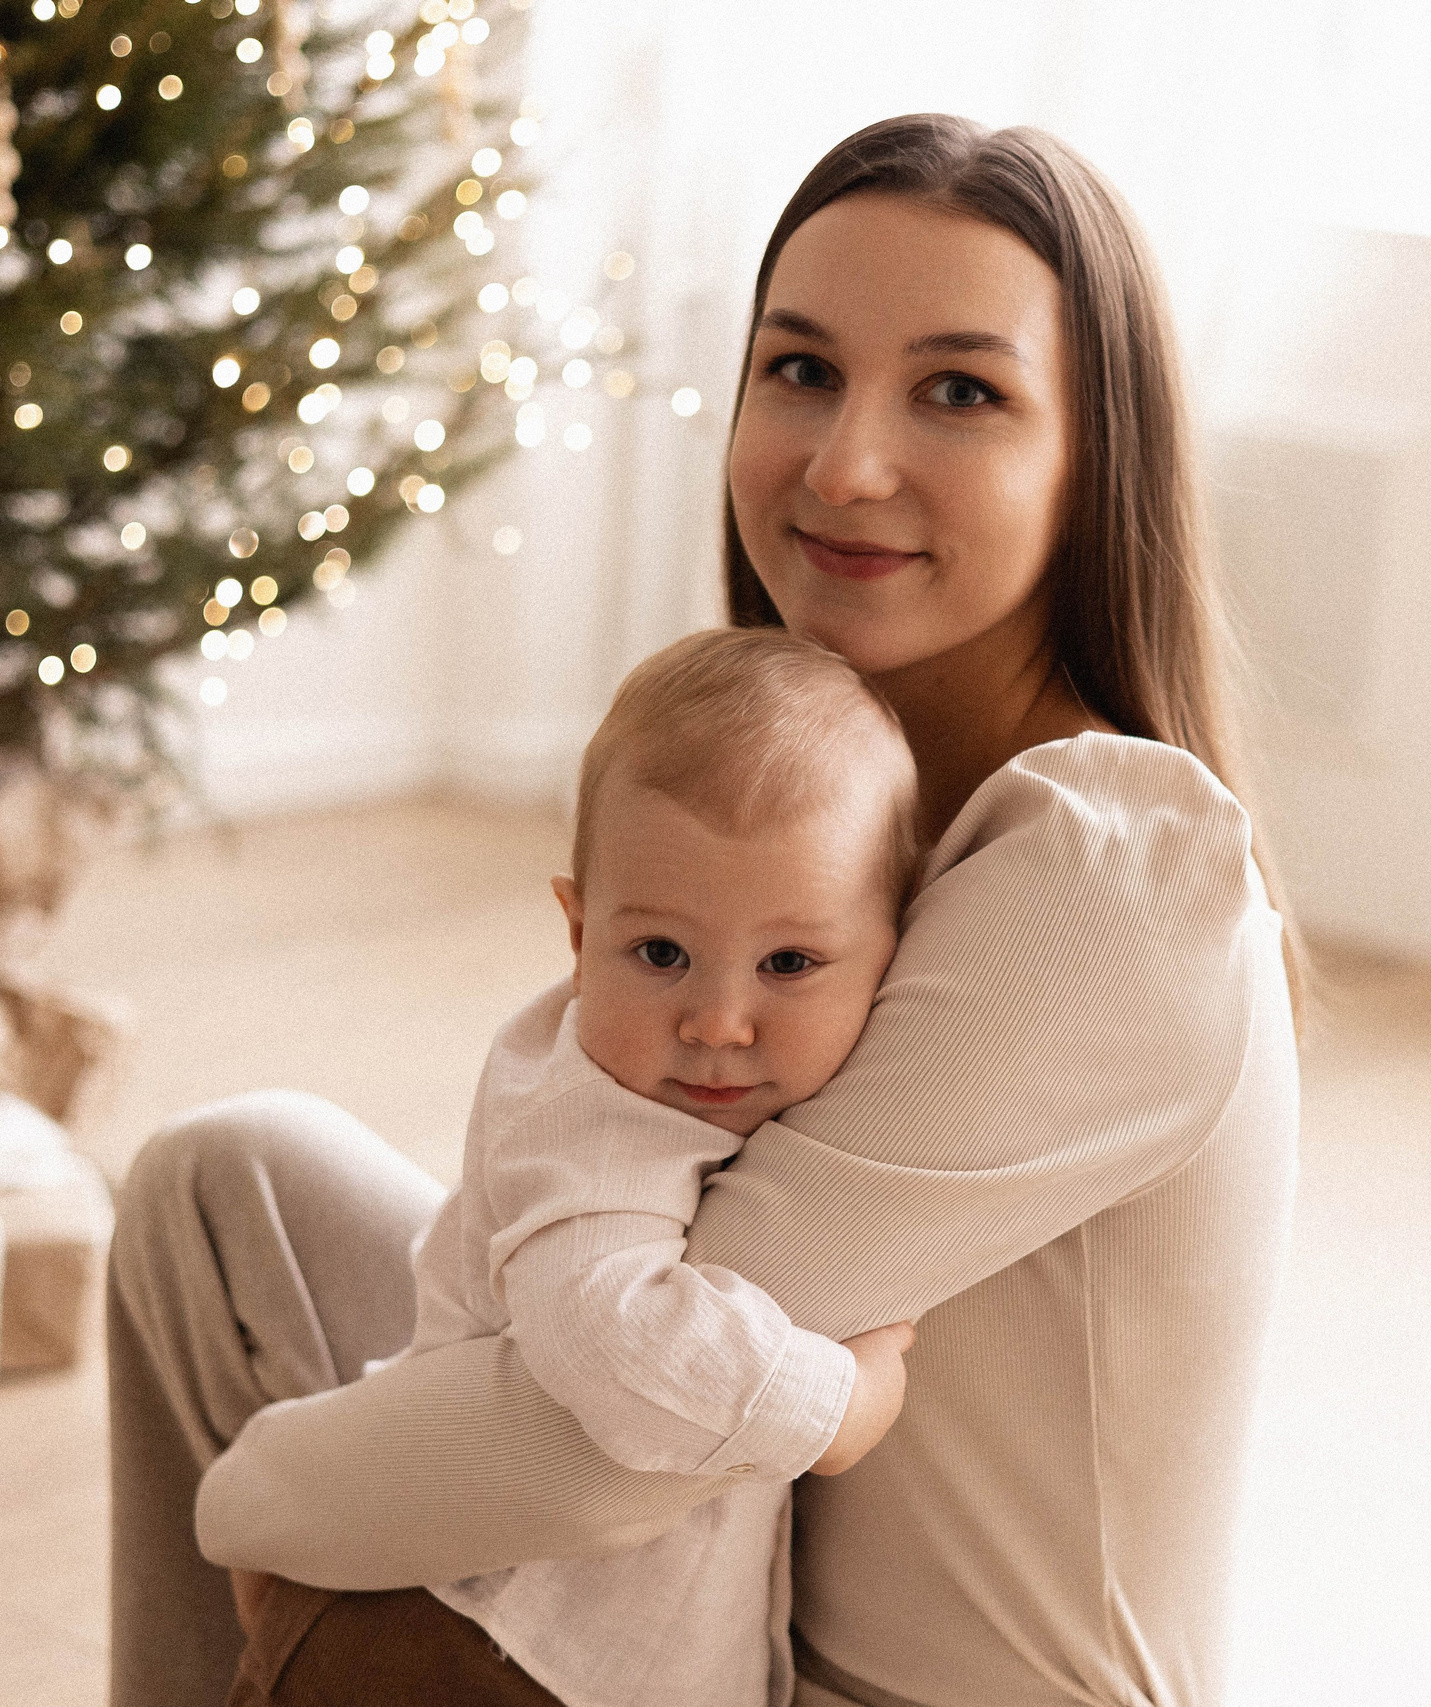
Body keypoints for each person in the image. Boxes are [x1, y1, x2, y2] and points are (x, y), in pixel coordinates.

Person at [110, 112, 1303, 1707]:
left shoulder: (1115, 869)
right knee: (220, 1187)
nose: (845, 462)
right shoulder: (841, 809)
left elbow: (615, 1426)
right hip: (728, 1623)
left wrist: (257, 1502)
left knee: (396, 1568)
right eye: (801, 368)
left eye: (961, 390)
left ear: (1095, 460)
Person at [233, 627, 926, 1706]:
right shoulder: (596, 1126)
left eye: (789, 963)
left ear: (895, 953)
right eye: (659, 955)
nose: (716, 1021)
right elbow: (620, 1347)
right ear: (576, 927)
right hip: (464, 1640)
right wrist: (841, 1404)